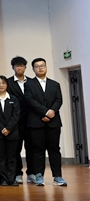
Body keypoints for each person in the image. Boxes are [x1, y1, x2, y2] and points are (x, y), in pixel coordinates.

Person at [24, 58, 65, 187]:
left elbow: (59, 100)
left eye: (42, 65)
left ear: (46, 67)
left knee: (54, 149)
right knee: (38, 149)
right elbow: (30, 100)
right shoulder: (29, 84)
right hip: (37, 122)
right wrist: (45, 112)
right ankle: (39, 176)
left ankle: (57, 176)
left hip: (53, 122)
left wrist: (51, 112)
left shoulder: (55, 84)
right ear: (33, 69)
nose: (40, 68)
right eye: (37, 66)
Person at [7, 56, 34, 184]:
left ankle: (31, 173)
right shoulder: (8, 83)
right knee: (16, 148)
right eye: (17, 66)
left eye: (22, 66)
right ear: (13, 68)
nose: (19, 68)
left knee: (31, 147)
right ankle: (18, 173)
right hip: (16, 121)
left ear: (25, 67)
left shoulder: (32, 82)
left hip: (31, 120)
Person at [0, 76, 21, 186]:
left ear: (7, 85)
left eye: (3, 83)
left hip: (12, 132)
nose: (1, 85)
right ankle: (2, 178)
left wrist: (8, 128)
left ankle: (11, 178)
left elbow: (16, 115)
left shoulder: (14, 99)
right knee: (0, 156)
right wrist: (1, 128)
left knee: (12, 156)